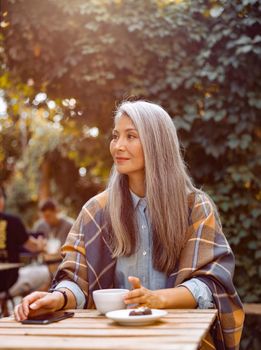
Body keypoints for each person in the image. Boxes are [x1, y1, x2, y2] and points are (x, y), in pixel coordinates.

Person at [14, 101, 244, 349]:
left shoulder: (195, 207)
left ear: (157, 144)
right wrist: (57, 299)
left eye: (131, 136)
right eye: (115, 136)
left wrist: (158, 299)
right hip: (112, 341)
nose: (118, 146)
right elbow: (76, 279)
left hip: (181, 338)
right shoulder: (96, 210)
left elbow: (210, 283)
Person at [0, 186, 47, 298]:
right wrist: (41, 245)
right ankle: (31, 308)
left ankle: (6, 307)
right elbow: (33, 247)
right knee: (48, 273)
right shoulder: (12, 221)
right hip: (8, 283)